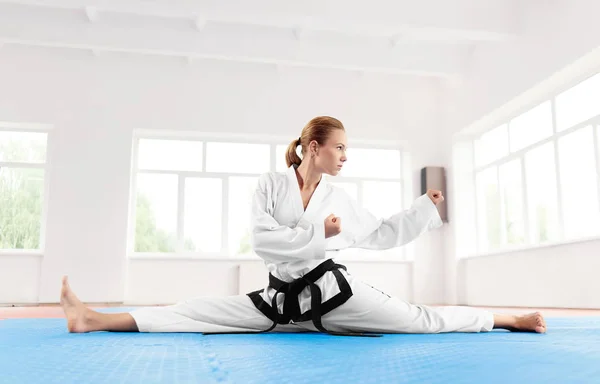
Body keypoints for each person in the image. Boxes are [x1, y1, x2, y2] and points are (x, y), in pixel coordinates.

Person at [60, 116, 546, 335]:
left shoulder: (341, 198)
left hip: (336, 299)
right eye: (338, 148)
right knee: (196, 311)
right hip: (276, 303)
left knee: (420, 320)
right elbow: (263, 243)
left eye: (346, 150)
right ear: (313, 147)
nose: (344, 156)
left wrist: (422, 208)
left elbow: (380, 233)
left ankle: (505, 318)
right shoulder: (270, 185)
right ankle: (94, 318)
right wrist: (321, 235)